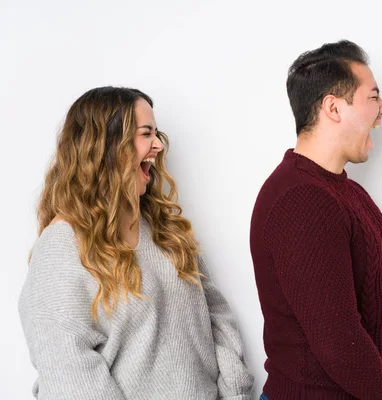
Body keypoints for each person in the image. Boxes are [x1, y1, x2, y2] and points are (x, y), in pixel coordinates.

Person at [19, 87, 253, 400]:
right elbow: (69, 373)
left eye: (157, 134)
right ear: (106, 144)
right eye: (146, 134)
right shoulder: (61, 248)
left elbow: (214, 313)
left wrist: (235, 393)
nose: (158, 146)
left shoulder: (163, 229)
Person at [250, 40, 382, 399]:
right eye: (373, 97)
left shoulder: (344, 192)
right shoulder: (301, 199)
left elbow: (380, 291)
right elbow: (337, 341)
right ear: (333, 107)